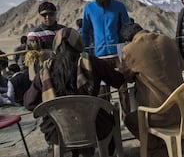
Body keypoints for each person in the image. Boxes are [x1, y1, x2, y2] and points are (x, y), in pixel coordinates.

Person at [24, 27, 124, 157]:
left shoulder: (46, 69)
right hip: (95, 126)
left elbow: (29, 103)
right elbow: (118, 80)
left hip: (57, 130)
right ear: (79, 44)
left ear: (55, 46)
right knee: (109, 120)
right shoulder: (91, 62)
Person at [119, 23, 184, 157]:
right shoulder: (168, 40)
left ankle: (157, 150)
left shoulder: (130, 49)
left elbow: (127, 78)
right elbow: (182, 66)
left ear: (127, 41)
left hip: (159, 115)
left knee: (130, 119)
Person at [81, 0, 131, 118]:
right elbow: (85, 32)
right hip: (99, 55)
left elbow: (126, 28)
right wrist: (84, 51)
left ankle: (127, 118)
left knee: (122, 87)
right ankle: (108, 119)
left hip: (118, 54)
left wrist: (127, 46)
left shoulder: (119, 7)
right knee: (103, 90)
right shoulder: (89, 8)